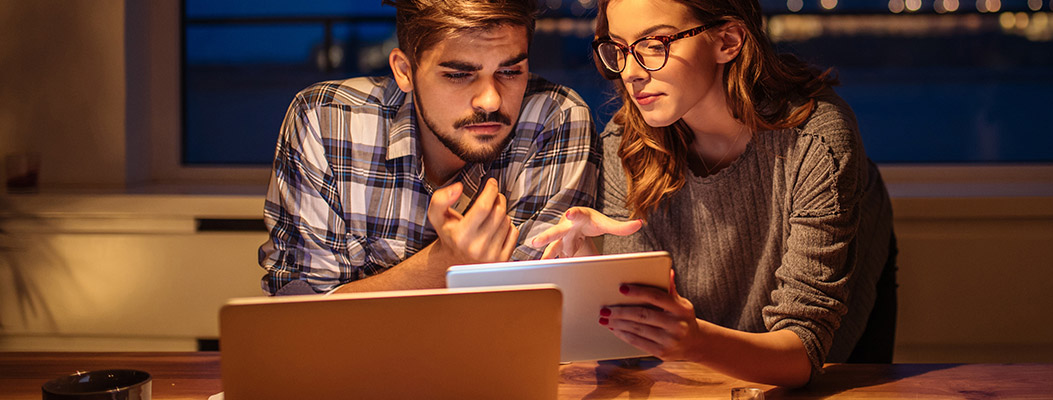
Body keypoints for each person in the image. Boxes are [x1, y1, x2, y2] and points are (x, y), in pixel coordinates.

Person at [531, 0, 896, 387]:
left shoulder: (814, 139)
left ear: (728, 40)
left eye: (655, 44)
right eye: (619, 49)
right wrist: (592, 269)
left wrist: (693, 341)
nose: (631, 73)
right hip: (704, 363)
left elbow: (805, 352)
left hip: (819, 357)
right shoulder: (629, 144)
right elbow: (639, 342)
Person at [258, 0, 599, 296]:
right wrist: (444, 263)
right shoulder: (327, 120)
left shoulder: (554, 120)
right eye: (458, 75)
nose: (491, 100)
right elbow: (301, 314)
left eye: (510, 71)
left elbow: (537, 313)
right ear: (405, 71)